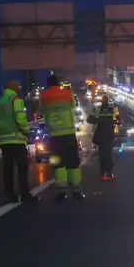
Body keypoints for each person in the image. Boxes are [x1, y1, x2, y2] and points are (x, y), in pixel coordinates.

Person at [0, 80, 39, 204]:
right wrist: (27, 131)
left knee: (8, 167)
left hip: (4, 140)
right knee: (23, 166)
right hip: (16, 139)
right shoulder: (16, 100)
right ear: (12, 88)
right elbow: (20, 118)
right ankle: (25, 194)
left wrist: (0, 132)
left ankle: (10, 194)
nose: (19, 88)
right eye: (18, 86)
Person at [41, 74, 84, 202]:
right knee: (74, 163)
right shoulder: (67, 93)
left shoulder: (44, 96)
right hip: (69, 134)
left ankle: (61, 193)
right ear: (58, 83)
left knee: (58, 164)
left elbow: (41, 111)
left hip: (54, 136)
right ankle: (76, 192)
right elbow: (74, 106)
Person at [87, 95, 120, 180]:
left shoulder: (98, 109)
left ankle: (103, 173)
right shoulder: (113, 109)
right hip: (108, 134)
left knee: (103, 154)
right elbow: (119, 121)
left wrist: (96, 120)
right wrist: (113, 122)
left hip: (101, 134)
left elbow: (89, 120)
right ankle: (108, 173)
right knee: (107, 154)